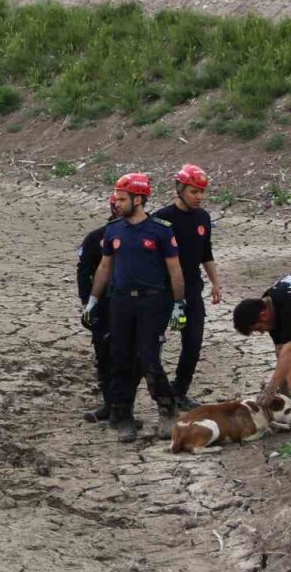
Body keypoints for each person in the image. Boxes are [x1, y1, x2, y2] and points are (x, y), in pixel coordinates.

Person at [83, 173, 187, 442]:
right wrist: (94, 300)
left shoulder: (160, 230)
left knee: (149, 358)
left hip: (152, 303)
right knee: (119, 359)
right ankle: (123, 416)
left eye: (121, 199)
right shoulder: (114, 230)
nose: (116, 203)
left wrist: (178, 304)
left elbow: (175, 269)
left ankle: (167, 410)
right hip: (120, 302)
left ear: (138, 199)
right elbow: (105, 267)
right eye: (116, 198)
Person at [152, 164, 221, 410]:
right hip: (162, 291)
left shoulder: (203, 218)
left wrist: (215, 282)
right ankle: (161, 394)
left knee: (193, 342)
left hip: (192, 290)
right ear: (179, 189)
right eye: (194, 191)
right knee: (154, 343)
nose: (199, 197)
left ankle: (180, 390)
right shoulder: (162, 217)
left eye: (202, 192)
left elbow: (206, 252)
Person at [76, 193, 119, 423]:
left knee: (133, 358)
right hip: (103, 306)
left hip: (134, 306)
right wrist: (87, 303)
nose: (119, 207)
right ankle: (109, 404)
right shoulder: (96, 238)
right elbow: (84, 272)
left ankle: (124, 409)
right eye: (117, 202)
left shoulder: (150, 234)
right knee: (103, 355)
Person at [233, 275, 291, 408]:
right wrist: (284, 393)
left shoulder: (287, 306)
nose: (261, 332)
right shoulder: (269, 303)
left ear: (263, 315)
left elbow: (289, 350)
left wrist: (271, 387)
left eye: (258, 328)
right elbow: (282, 351)